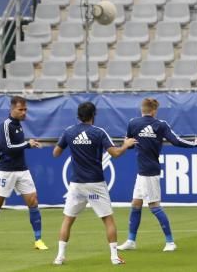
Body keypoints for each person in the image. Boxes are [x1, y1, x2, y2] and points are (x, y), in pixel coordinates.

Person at [52, 101, 136, 266]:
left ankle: (60, 257)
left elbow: (56, 153)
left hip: (76, 184)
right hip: (95, 183)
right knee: (108, 219)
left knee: (68, 220)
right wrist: (125, 145)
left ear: (78, 115)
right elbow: (115, 154)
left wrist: (67, 145)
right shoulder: (98, 132)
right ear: (93, 115)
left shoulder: (69, 132)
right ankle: (114, 257)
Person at [119, 97, 197, 252]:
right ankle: (131, 241)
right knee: (136, 204)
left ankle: (170, 242)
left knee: (154, 206)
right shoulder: (160, 125)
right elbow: (176, 141)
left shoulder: (133, 123)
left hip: (147, 170)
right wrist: (195, 143)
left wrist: (127, 143)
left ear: (142, 109)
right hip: (147, 170)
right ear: (154, 111)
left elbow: (130, 145)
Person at [0, 95, 47, 252]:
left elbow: (18, 146)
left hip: (22, 169)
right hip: (5, 170)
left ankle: (38, 240)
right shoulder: (5, 125)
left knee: (33, 201)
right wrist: (27, 144)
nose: (24, 112)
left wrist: (27, 144)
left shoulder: (18, 125)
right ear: (12, 109)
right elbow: (7, 148)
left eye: (25, 110)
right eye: (21, 109)